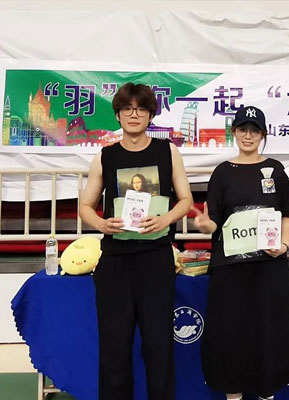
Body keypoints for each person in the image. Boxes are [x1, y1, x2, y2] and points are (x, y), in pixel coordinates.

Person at [79, 83, 193, 400]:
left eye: (141, 109)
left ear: (150, 115)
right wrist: (101, 223)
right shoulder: (105, 157)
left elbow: (185, 200)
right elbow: (85, 206)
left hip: (156, 258)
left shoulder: (168, 152)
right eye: (127, 109)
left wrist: (166, 219)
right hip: (115, 261)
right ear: (118, 114)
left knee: (159, 346)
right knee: (114, 347)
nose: (134, 115)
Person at [193, 106, 289, 400]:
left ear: (263, 135)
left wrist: (284, 245)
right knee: (230, 335)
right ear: (234, 132)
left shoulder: (276, 170)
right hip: (230, 271)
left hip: (268, 267)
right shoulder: (222, 172)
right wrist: (204, 225)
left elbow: (286, 215)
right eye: (243, 129)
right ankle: (233, 394)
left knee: (269, 333)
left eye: (254, 130)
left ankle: (267, 392)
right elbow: (214, 221)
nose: (248, 136)